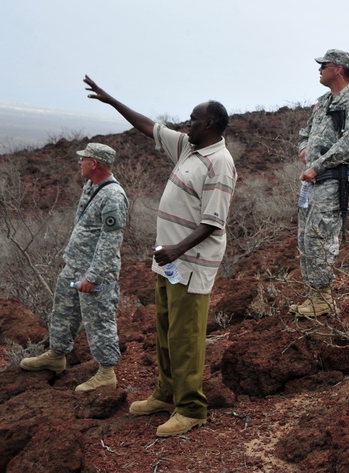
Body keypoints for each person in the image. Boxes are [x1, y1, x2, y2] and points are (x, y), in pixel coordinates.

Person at [83, 76, 237, 438]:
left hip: (191, 263)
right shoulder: (188, 148)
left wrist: (177, 249)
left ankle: (191, 407)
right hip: (169, 262)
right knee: (166, 331)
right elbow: (149, 126)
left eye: (193, 120)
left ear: (210, 125)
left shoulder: (220, 163)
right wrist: (112, 101)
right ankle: (168, 394)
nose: (187, 125)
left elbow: (214, 222)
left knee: (185, 336)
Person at [20, 142, 129, 393]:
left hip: (95, 272)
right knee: (63, 310)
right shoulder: (91, 186)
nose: (79, 163)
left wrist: (93, 276)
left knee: (99, 319)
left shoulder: (113, 196)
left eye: (84, 159)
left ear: (95, 163)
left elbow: (111, 240)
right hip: (74, 266)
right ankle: (56, 355)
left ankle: (106, 372)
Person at [292, 49, 349, 317]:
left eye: (323, 65)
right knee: (306, 237)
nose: (319, 69)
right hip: (312, 182)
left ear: (338, 68)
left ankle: (323, 298)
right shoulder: (323, 102)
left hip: (331, 181)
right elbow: (305, 133)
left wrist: (317, 165)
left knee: (321, 236)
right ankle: (314, 296)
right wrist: (304, 151)